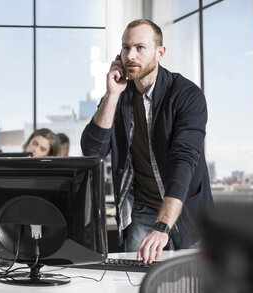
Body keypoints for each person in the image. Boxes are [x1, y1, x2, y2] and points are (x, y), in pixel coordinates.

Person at [81, 19, 213, 264]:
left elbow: (185, 161)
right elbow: (92, 151)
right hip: (142, 212)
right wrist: (111, 95)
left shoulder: (186, 95)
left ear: (159, 52)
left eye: (140, 47)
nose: (130, 55)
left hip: (187, 212)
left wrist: (163, 226)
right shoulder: (119, 96)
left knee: (196, 291)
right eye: (125, 47)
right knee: (136, 289)